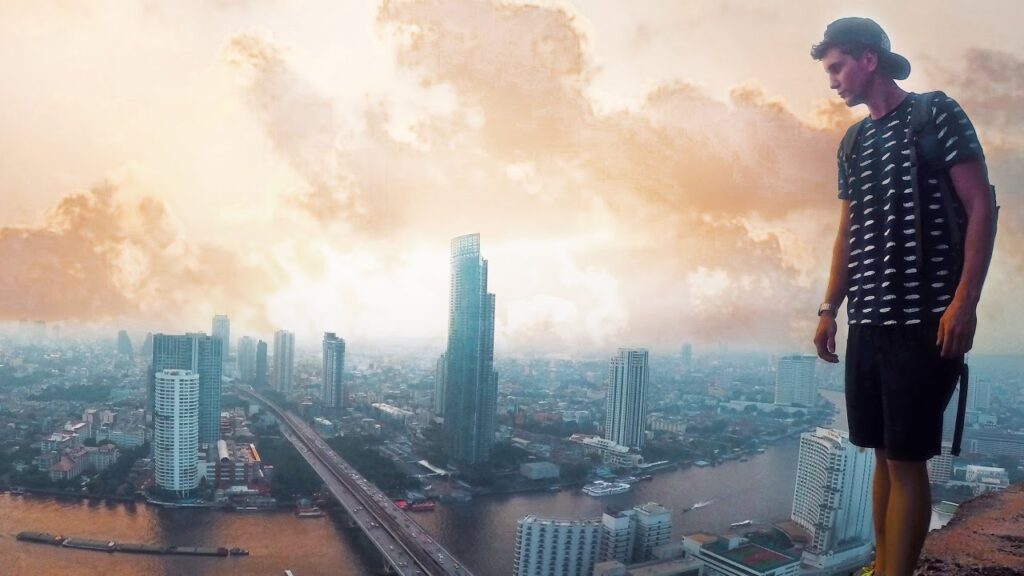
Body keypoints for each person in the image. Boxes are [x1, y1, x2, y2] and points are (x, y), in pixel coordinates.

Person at [810, 17, 997, 576]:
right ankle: (885, 565)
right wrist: (829, 307)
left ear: (869, 60)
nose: (833, 81)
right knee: (880, 455)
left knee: (909, 458)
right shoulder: (854, 141)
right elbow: (849, 232)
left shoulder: (935, 113)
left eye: (837, 67)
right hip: (868, 316)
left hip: (927, 318)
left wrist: (965, 301)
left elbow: (981, 207)